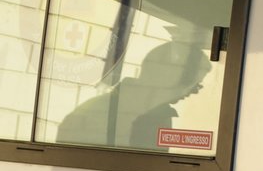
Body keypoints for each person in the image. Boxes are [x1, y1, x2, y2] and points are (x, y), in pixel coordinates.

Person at [56, 40, 211, 148]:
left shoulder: (158, 115)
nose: (194, 91)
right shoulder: (94, 114)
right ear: (169, 79)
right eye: (195, 84)